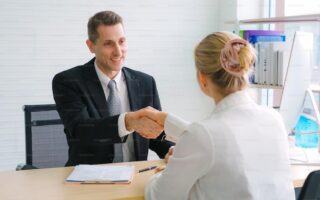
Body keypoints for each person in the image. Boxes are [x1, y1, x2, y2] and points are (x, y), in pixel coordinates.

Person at [143, 31, 295, 199]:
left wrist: (166, 172)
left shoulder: (204, 134)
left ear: (202, 77)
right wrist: (169, 121)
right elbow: (223, 142)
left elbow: (159, 196)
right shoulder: (273, 118)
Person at [52, 10, 174, 166]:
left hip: (134, 176)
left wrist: (173, 150)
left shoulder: (145, 82)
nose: (118, 51)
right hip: (88, 180)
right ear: (91, 46)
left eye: (122, 41)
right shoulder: (68, 81)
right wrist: (127, 122)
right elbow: (80, 131)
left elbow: (156, 134)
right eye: (108, 43)